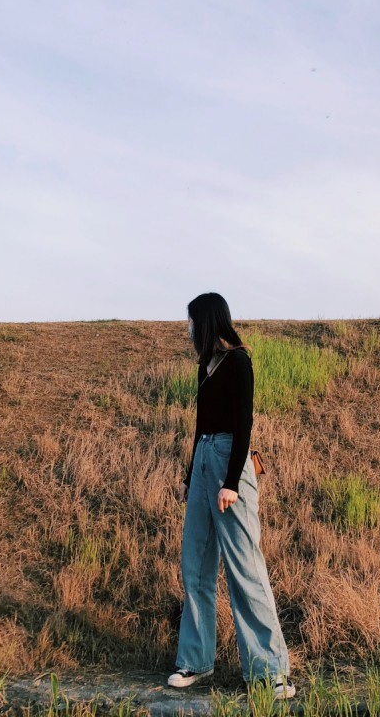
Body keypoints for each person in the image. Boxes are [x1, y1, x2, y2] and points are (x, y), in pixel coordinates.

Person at [166, 292, 295, 700]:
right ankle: (195, 660)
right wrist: (190, 476)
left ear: (207, 322)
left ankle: (271, 671)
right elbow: (200, 425)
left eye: (191, 323)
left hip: (228, 464)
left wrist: (232, 483)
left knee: (245, 570)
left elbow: (244, 425)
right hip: (204, 461)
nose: (188, 330)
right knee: (195, 566)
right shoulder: (204, 367)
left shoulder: (239, 361)